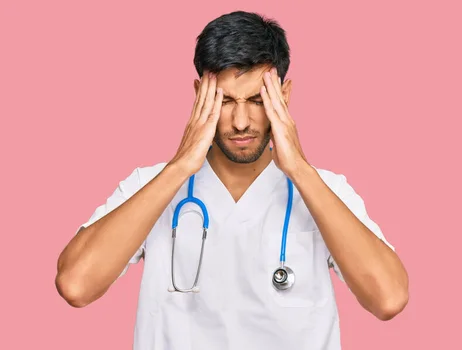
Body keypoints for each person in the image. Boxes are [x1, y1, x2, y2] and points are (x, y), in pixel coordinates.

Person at [55, 10, 409, 350]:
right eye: (225, 100)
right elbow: (75, 285)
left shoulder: (324, 191)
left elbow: (389, 298)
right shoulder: (149, 185)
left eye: (257, 100)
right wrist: (180, 166)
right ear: (199, 96)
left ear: (283, 96)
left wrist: (300, 169)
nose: (241, 122)